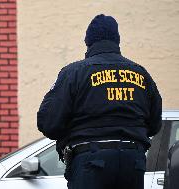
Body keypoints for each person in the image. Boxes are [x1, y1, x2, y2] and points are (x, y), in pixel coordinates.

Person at [37, 14, 162, 189]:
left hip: (89, 162)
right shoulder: (141, 74)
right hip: (133, 162)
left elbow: (48, 123)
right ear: (117, 41)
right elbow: (155, 124)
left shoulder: (74, 72)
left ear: (88, 41)